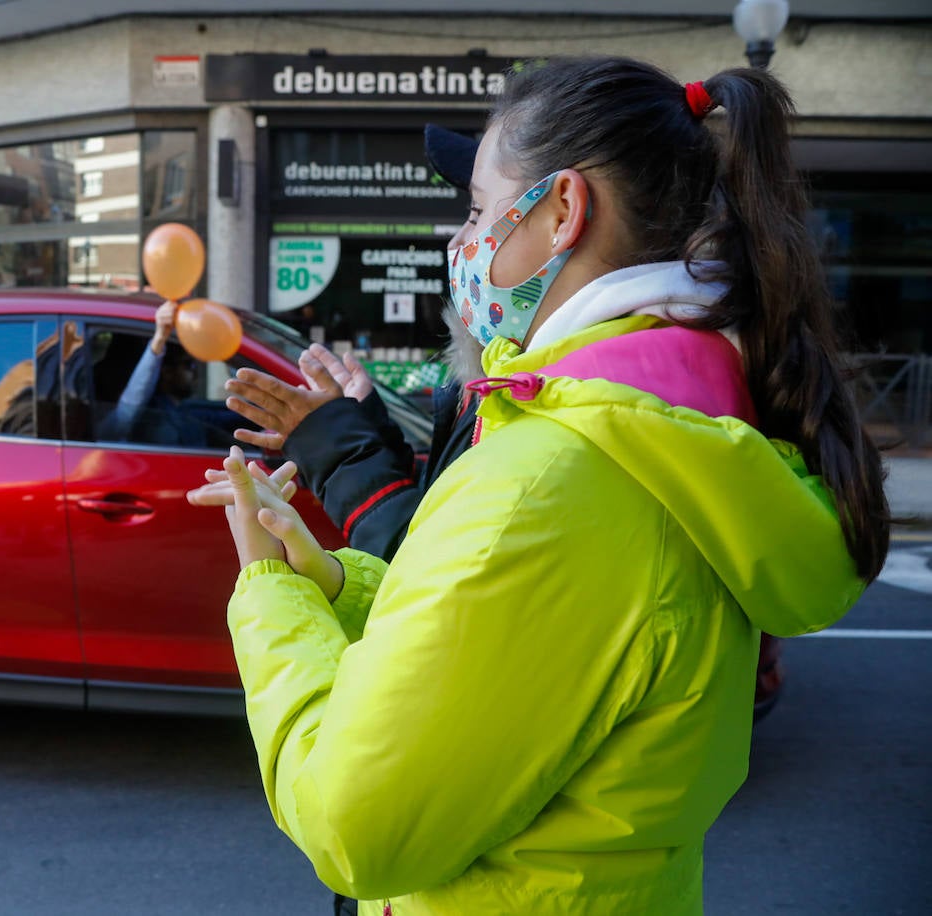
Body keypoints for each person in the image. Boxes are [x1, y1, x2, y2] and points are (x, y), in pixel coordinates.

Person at [188, 56, 890, 914]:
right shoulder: (673, 427)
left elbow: (354, 827)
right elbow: (489, 647)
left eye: (480, 209)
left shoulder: (554, 470)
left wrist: (267, 595)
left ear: (563, 210)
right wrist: (329, 579)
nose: (461, 242)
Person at [97, 301, 232, 447]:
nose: (195, 371)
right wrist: (159, 339)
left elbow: (221, 419)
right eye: (188, 365)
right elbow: (130, 403)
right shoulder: (152, 420)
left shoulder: (183, 409)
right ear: (167, 372)